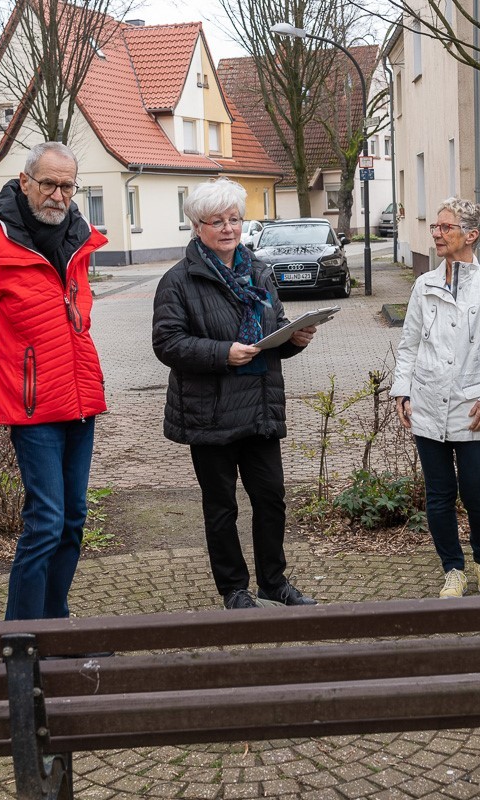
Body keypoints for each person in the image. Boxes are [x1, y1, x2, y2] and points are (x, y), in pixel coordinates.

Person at [0, 141, 108, 621]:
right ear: (24, 182)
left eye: (67, 185)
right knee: (46, 523)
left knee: (74, 521)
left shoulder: (78, 240)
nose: (59, 195)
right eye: (49, 184)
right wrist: (7, 393)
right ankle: (21, 639)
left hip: (81, 402)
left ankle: (55, 626)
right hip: (33, 410)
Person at [152, 178, 318, 611]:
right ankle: (234, 590)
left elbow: (272, 330)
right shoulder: (178, 281)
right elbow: (166, 344)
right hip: (209, 413)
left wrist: (293, 340)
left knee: (271, 499)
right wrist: (223, 353)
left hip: (259, 407)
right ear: (197, 226)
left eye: (234, 219)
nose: (228, 228)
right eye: (217, 221)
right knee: (222, 508)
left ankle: (273, 582)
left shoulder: (259, 271)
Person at [391, 197, 480, 598]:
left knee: (477, 492)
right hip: (427, 405)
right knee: (439, 495)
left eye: (446, 228)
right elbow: (409, 343)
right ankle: (453, 568)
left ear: (471, 234)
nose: (437, 234)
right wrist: (402, 390)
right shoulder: (424, 284)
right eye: (435, 227)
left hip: (473, 409)